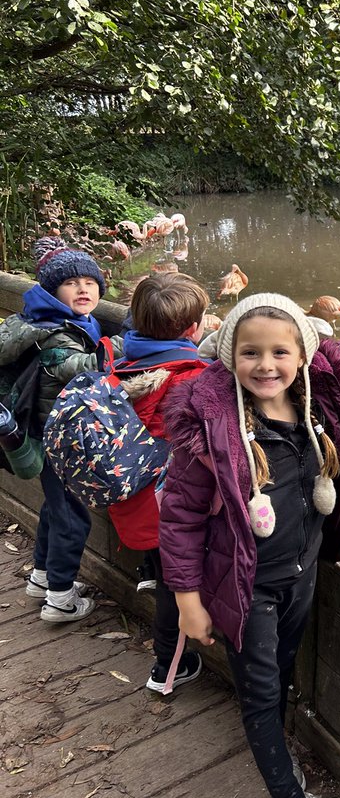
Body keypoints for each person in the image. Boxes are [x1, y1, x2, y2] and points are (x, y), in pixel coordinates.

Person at [157, 293, 340, 798]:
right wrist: (186, 599)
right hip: (245, 587)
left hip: (301, 576)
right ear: (230, 356)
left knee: (277, 670)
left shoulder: (314, 400)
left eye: (280, 351)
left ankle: (271, 739)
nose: (266, 365)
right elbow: (179, 515)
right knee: (261, 689)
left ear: (303, 354)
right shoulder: (213, 425)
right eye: (250, 352)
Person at [0, 239, 122, 622]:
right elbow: (85, 365)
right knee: (72, 515)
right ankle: (60, 599)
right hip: (58, 438)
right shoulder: (53, 332)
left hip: (43, 430)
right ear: (53, 291)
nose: (84, 289)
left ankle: (41, 578)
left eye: (90, 281)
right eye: (72, 283)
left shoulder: (43, 317)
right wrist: (135, 337)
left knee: (56, 507)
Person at [107, 272, 211, 694]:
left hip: (131, 490)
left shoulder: (120, 362)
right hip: (168, 502)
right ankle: (169, 666)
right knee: (177, 584)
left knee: (160, 559)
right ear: (193, 329)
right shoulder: (190, 377)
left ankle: (148, 571)